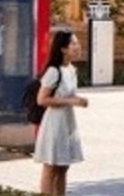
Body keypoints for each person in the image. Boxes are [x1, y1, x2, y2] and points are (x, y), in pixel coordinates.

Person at [34, 28, 89, 196]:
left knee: (63, 166)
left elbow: (67, 94)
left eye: (77, 42)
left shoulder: (71, 69)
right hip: (54, 123)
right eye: (73, 43)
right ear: (63, 49)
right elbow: (42, 100)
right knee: (51, 167)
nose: (77, 46)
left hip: (67, 122)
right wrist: (71, 101)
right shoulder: (53, 71)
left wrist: (78, 100)